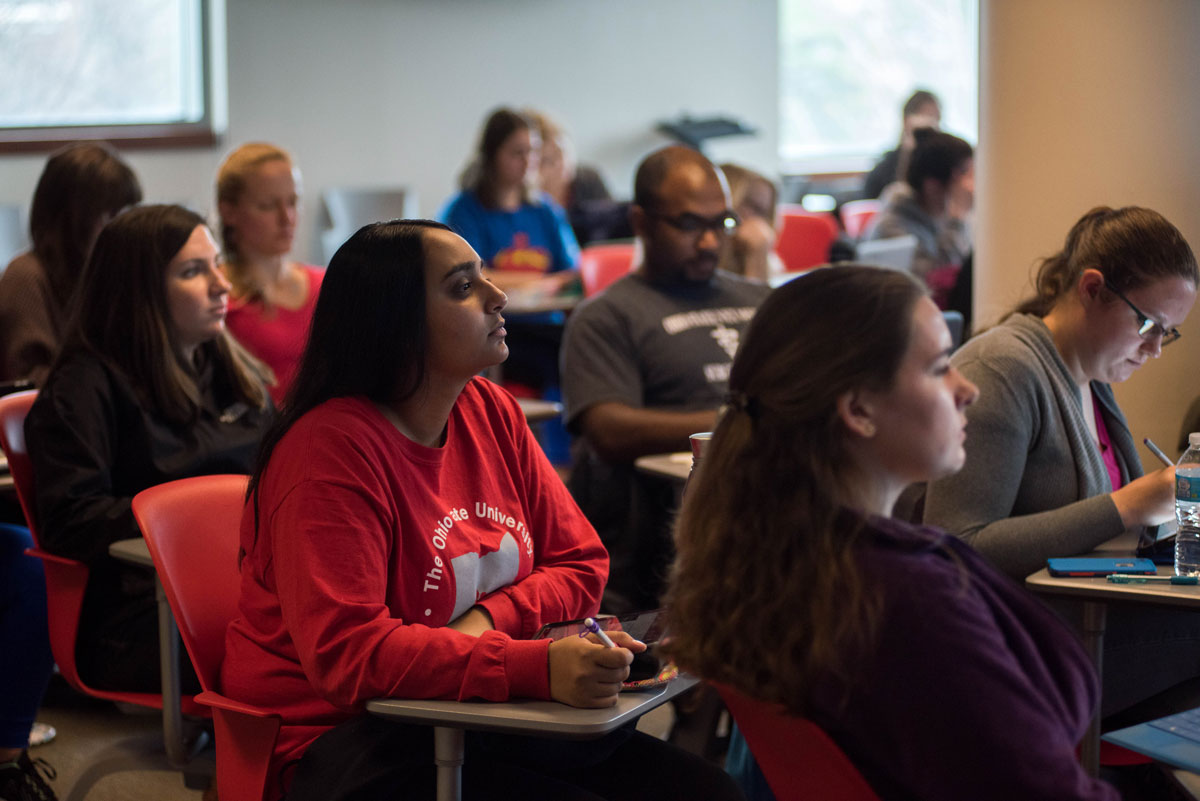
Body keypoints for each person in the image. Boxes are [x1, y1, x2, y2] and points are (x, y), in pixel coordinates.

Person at [220, 220, 742, 801]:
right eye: (463, 287)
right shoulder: (328, 452)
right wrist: (534, 667)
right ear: (397, 325)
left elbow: (582, 562)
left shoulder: (489, 409)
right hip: (343, 737)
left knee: (709, 792)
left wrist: (485, 627)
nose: (499, 296)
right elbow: (349, 657)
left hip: (471, 711)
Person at [663, 265, 1118, 800]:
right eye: (939, 367)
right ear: (859, 409)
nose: (967, 388)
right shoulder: (904, 600)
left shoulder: (770, 558)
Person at [924, 205, 1200, 719]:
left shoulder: (1091, 375)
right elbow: (954, 548)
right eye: (1147, 323)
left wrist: (1165, 517)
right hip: (1018, 659)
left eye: (1170, 332)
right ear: (1092, 289)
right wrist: (1129, 506)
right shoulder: (1001, 369)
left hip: (1085, 628)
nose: (1156, 348)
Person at [26, 204, 273, 693]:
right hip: (137, 615)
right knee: (310, 637)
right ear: (139, 291)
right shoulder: (84, 387)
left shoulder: (227, 369)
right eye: (192, 272)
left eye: (217, 264)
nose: (222, 285)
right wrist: (197, 520)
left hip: (243, 583)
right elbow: (72, 522)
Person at [561, 145, 771, 613]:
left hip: (769, 494)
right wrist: (738, 420)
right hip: (670, 521)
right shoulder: (607, 316)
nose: (711, 242)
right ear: (640, 222)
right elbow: (609, 431)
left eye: (722, 223)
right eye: (690, 224)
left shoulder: (761, 299)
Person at [0, 142, 142, 386]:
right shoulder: (26, 276)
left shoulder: (106, 277)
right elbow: (32, 382)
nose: (122, 228)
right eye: (111, 215)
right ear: (72, 220)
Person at [216, 142, 322, 404]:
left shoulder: (326, 284)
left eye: (293, 202)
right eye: (267, 206)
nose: (287, 218)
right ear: (229, 211)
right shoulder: (218, 295)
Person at [862, 128, 973, 304]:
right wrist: (956, 220)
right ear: (932, 186)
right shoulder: (892, 228)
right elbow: (938, 286)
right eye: (965, 174)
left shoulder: (953, 217)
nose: (972, 185)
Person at [525, 108, 630, 247]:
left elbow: (613, 226)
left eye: (564, 153)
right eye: (549, 161)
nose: (562, 164)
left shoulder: (589, 179)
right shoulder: (527, 198)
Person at [861, 88, 942, 199]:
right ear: (906, 121)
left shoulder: (941, 168)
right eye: (927, 117)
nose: (934, 126)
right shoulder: (884, 170)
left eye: (936, 118)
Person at [716, 163, 783, 283]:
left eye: (762, 212)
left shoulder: (771, 262)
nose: (755, 221)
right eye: (748, 204)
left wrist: (757, 257)